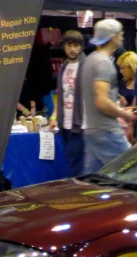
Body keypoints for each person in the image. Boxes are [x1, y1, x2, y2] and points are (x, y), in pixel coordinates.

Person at [79, 19, 137, 174]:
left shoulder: (89, 60)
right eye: (121, 35)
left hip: (91, 131)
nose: (122, 38)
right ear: (113, 37)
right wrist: (124, 113)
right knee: (132, 172)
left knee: (94, 182)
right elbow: (101, 101)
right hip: (107, 131)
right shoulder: (103, 63)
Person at [47, 30, 86, 177]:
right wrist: (54, 117)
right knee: (71, 163)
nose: (72, 49)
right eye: (69, 45)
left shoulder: (86, 65)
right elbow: (61, 95)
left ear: (81, 47)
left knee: (76, 167)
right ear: (64, 46)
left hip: (81, 125)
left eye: (76, 45)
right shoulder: (63, 67)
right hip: (65, 125)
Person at [116, 51, 137, 142]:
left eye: (123, 68)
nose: (121, 71)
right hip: (123, 124)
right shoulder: (122, 82)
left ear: (131, 68)